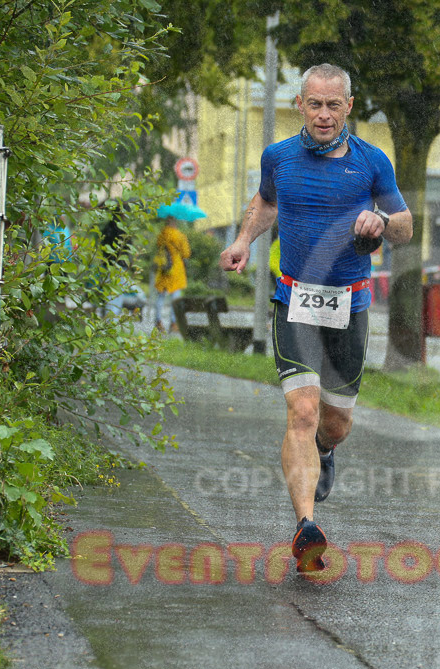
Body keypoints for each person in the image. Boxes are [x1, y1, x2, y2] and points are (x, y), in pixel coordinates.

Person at [218, 64, 412, 574]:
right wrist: (243, 240)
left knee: (335, 423)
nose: (324, 115)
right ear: (300, 105)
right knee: (302, 412)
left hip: (350, 303)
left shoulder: (373, 163)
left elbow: (406, 227)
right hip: (293, 299)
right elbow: (266, 201)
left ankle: (326, 451)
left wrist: (383, 220)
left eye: (333, 105)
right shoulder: (278, 157)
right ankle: (306, 526)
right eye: (315, 104)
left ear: (348, 106)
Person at [153, 216, 191, 333]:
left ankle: (158, 321)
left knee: (160, 297)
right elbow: (186, 253)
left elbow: (158, 246)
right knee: (175, 297)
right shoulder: (180, 235)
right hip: (176, 270)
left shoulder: (162, 234)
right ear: (175, 223)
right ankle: (174, 323)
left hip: (164, 269)